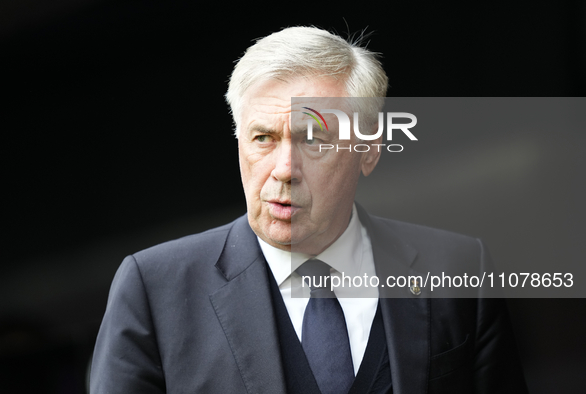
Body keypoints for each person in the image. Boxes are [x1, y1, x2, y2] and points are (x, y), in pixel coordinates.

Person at [90, 26, 528, 393]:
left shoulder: (457, 269)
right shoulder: (154, 289)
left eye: (313, 140)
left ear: (369, 151)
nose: (284, 170)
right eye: (263, 138)